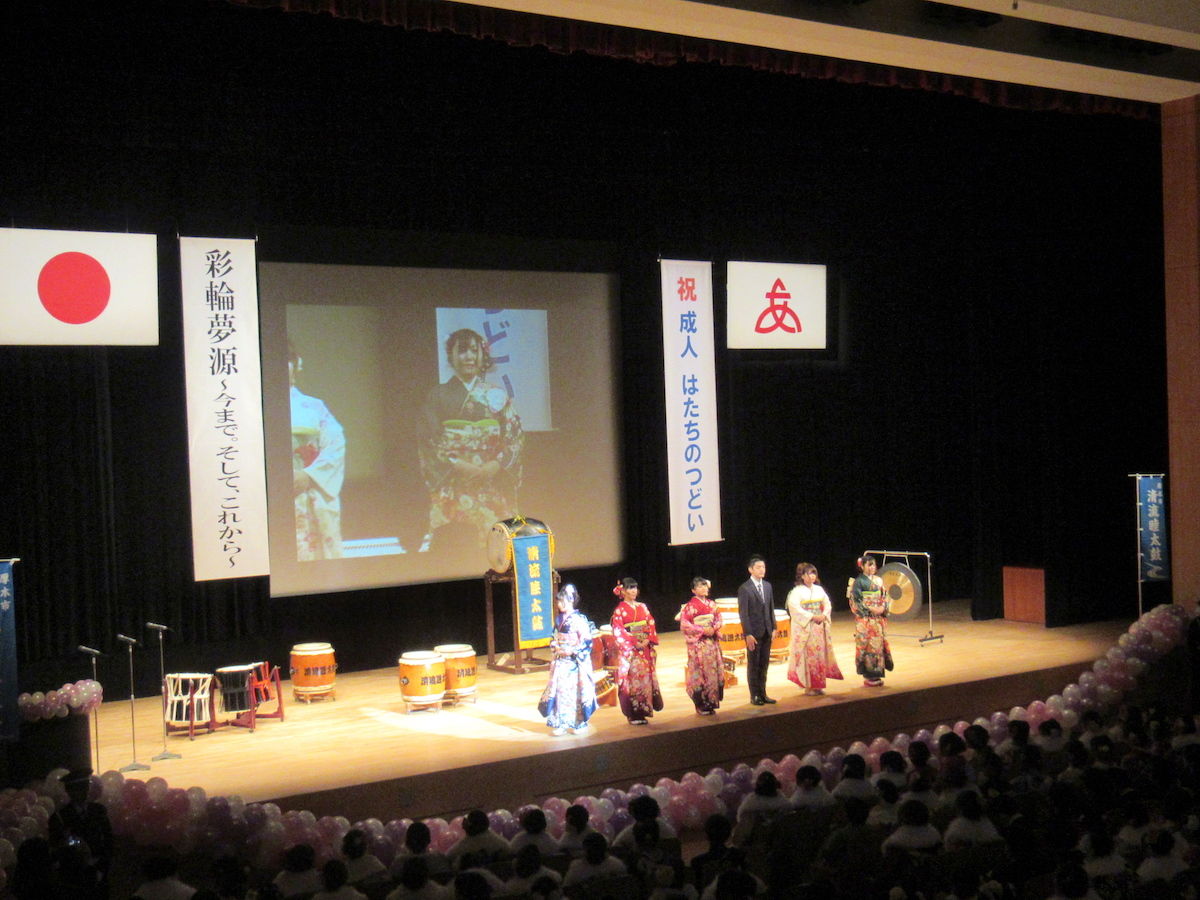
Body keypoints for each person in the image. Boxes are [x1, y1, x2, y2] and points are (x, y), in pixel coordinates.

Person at [418, 328, 523, 552]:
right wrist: (459, 465)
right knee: (455, 548)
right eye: (462, 351)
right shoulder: (437, 396)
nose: (469, 357)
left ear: (482, 355)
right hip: (454, 484)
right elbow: (429, 439)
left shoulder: (497, 395)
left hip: (491, 483)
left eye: (474, 351)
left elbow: (514, 435)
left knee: (496, 548)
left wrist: (496, 465)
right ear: (451, 357)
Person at [289, 345, 346, 561]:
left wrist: (309, 475)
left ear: (297, 365)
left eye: (285, 359)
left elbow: (335, 446)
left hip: (308, 489)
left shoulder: (314, 407)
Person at [540, 583, 598, 736]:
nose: (559, 604)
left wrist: (571, 651)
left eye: (561, 601)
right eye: (558, 602)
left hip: (574, 663)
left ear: (571, 600)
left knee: (576, 693)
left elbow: (586, 641)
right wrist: (555, 646)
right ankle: (561, 723)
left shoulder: (579, 619)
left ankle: (579, 723)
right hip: (561, 662)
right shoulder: (559, 620)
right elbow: (553, 637)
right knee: (560, 692)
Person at [785, 562, 843, 696]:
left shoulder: (819, 589)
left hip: (818, 627)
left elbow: (827, 604)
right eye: (807, 573)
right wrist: (812, 616)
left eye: (813, 573)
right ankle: (809, 686)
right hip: (807, 628)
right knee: (808, 656)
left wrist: (823, 615)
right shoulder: (796, 591)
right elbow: (795, 609)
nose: (811, 576)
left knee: (819, 656)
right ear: (801, 576)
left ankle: (818, 685)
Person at [611, 577, 661, 725]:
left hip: (644, 649)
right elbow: (618, 631)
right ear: (623, 591)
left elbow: (650, 624)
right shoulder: (619, 610)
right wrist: (634, 641)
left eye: (635, 588)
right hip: (631, 651)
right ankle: (633, 714)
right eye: (630, 588)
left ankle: (644, 710)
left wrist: (647, 639)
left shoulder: (643, 607)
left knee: (644, 680)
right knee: (633, 681)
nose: (634, 591)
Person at [680, 576, 724, 715]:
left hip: (711, 642)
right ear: (693, 590)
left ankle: (711, 702)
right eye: (699, 586)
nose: (703, 588)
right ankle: (700, 704)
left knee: (712, 672)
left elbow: (719, 618)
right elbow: (685, 625)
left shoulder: (712, 604)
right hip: (698, 644)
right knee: (700, 673)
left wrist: (714, 628)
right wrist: (702, 630)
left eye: (705, 585)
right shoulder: (689, 607)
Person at [736, 555, 776, 705]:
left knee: (764, 664)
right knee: (754, 664)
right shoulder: (745, 588)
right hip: (753, 633)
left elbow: (770, 608)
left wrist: (774, 627)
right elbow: (743, 614)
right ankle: (755, 695)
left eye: (763, 567)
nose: (762, 570)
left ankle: (763, 693)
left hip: (767, 631)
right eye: (758, 567)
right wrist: (748, 633)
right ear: (750, 569)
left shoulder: (767, 586)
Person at [849, 554, 892, 686]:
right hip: (866, 620)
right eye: (869, 565)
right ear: (862, 567)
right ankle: (869, 676)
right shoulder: (858, 582)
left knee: (878, 647)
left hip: (878, 619)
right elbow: (855, 601)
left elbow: (884, 597)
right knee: (868, 646)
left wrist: (882, 607)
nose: (872, 567)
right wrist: (870, 609)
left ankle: (877, 674)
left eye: (873, 564)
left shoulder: (879, 580)